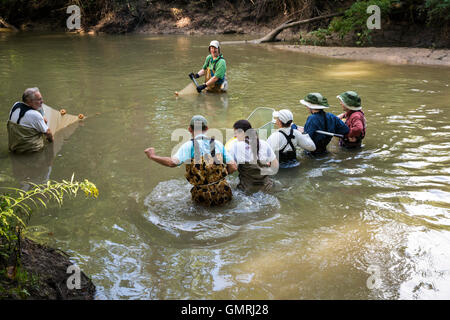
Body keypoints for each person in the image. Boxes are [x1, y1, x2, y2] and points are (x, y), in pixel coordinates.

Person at [144, 115, 237, 206]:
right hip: (224, 192)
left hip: (202, 196)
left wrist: (152, 156)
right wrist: (220, 178)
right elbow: (233, 167)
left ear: (189, 129)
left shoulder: (189, 146)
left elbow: (172, 162)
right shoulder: (217, 144)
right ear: (207, 128)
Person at [228, 120, 278, 192]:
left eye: (236, 133)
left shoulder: (235, 146)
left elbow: (232, 168)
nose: (235, 136)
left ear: (242, 133)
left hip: (247, 190)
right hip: (267, 187)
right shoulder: (264, 143)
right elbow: (275, 165)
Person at [7, 88, 53, 153]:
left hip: (14, 147)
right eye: (39, 99)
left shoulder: (15, 105)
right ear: (29, 101)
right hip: (31, 151)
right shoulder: (35, 115)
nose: (42, 101)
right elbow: (48, 132)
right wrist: (52, 142)